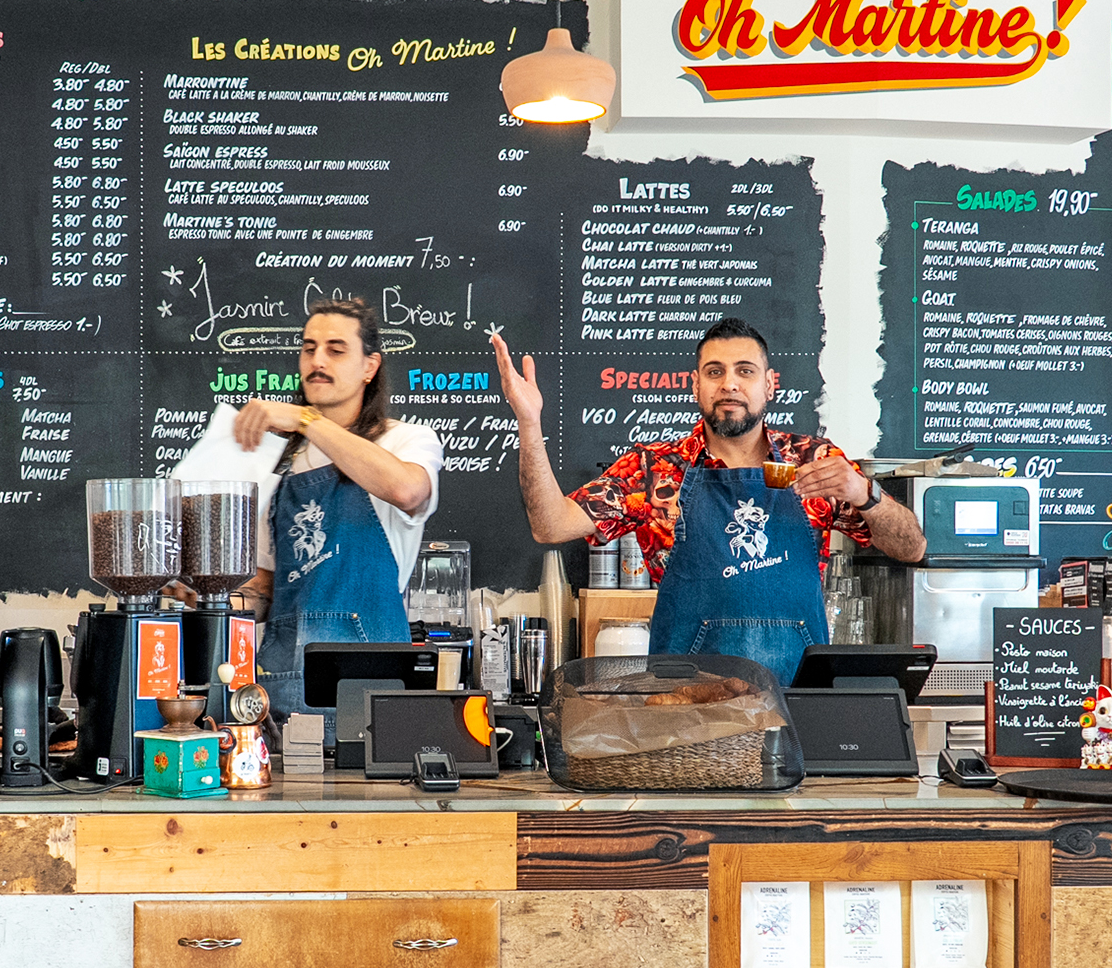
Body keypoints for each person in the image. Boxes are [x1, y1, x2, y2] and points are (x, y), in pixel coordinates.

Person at [493, 316, 925, 683]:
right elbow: (550, 525)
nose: (730, 384)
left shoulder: (814, 461)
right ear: (696, 386)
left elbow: (912, 548)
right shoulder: (655, 470)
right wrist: (529, 424)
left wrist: (866, 494)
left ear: (770, 385)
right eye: (715, 372)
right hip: (688, 711)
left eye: (745, 370)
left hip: (796, 702)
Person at [234, 297, 442, 713]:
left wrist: (308, 420)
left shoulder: (405, 440)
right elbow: (265, 588)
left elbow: (407, 490)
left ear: (370, 366)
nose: (317, 360)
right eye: (309, 348)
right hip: (281, 688)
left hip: (372, 692)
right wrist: (210, 597)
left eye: (336, 349)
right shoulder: (278, 461)